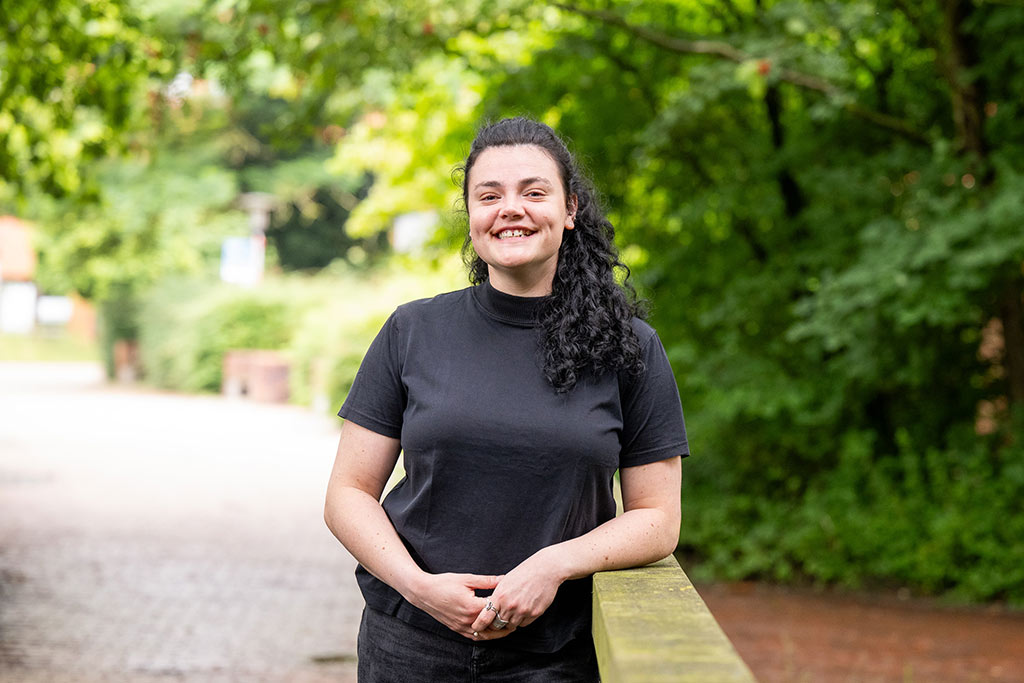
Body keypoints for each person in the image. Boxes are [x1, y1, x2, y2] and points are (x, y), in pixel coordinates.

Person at [324, 116, 688, 682]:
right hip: (411, 646)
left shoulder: (628, 347)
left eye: (533, 192)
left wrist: (552, 566)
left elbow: (658, 519)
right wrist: (420, 588)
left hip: (553, 656)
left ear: (569, 212)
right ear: (471, 216)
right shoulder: (411, 331)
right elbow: (347, 493)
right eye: (488, 195)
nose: (509, 208)